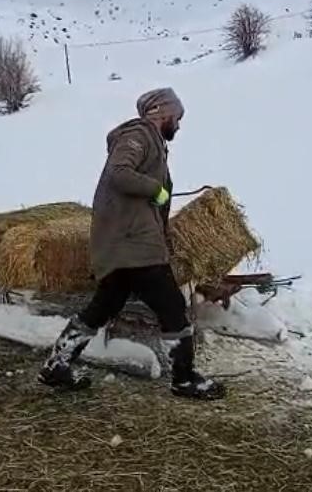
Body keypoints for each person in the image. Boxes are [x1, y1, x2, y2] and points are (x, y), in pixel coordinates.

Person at [37, 87, 226, 400]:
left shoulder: (151, 142)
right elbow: (119, 173)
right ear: (162, 113)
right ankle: (184, 378)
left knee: (103, 307)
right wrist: (156, 190)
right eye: (177, 118)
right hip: (134, 244)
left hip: (124, 243)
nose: (178, 125)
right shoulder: (138, 135)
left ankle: (58, 365)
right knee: (172, 307)